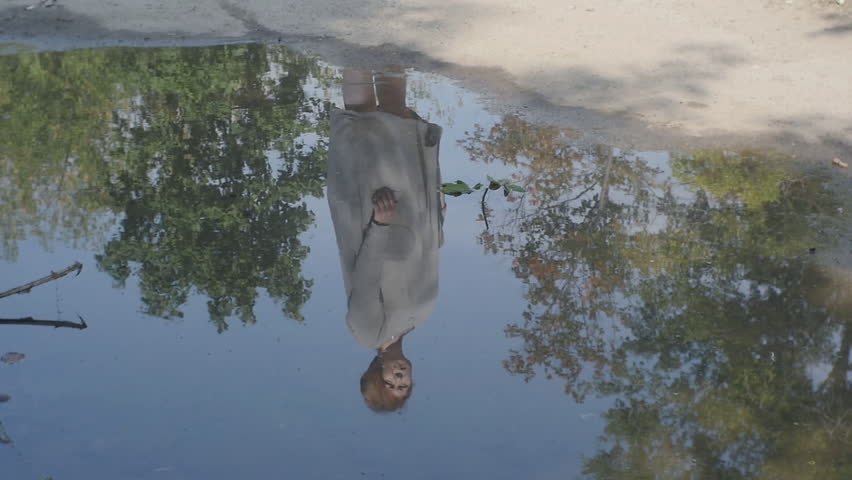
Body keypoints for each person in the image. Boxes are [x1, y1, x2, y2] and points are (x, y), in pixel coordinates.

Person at [327, 67, 444, 412]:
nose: (399, 377)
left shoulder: (367, 333)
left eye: (390, 383)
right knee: (399, 116)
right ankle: (389, 41)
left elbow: (365, 277)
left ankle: (353, 46)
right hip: (412, 204)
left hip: (374, 211)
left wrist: (379, 223)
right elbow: (429, 254)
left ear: (376, 373)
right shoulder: (420, 317)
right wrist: (437, 211)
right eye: (403, 385)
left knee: (362, 123)